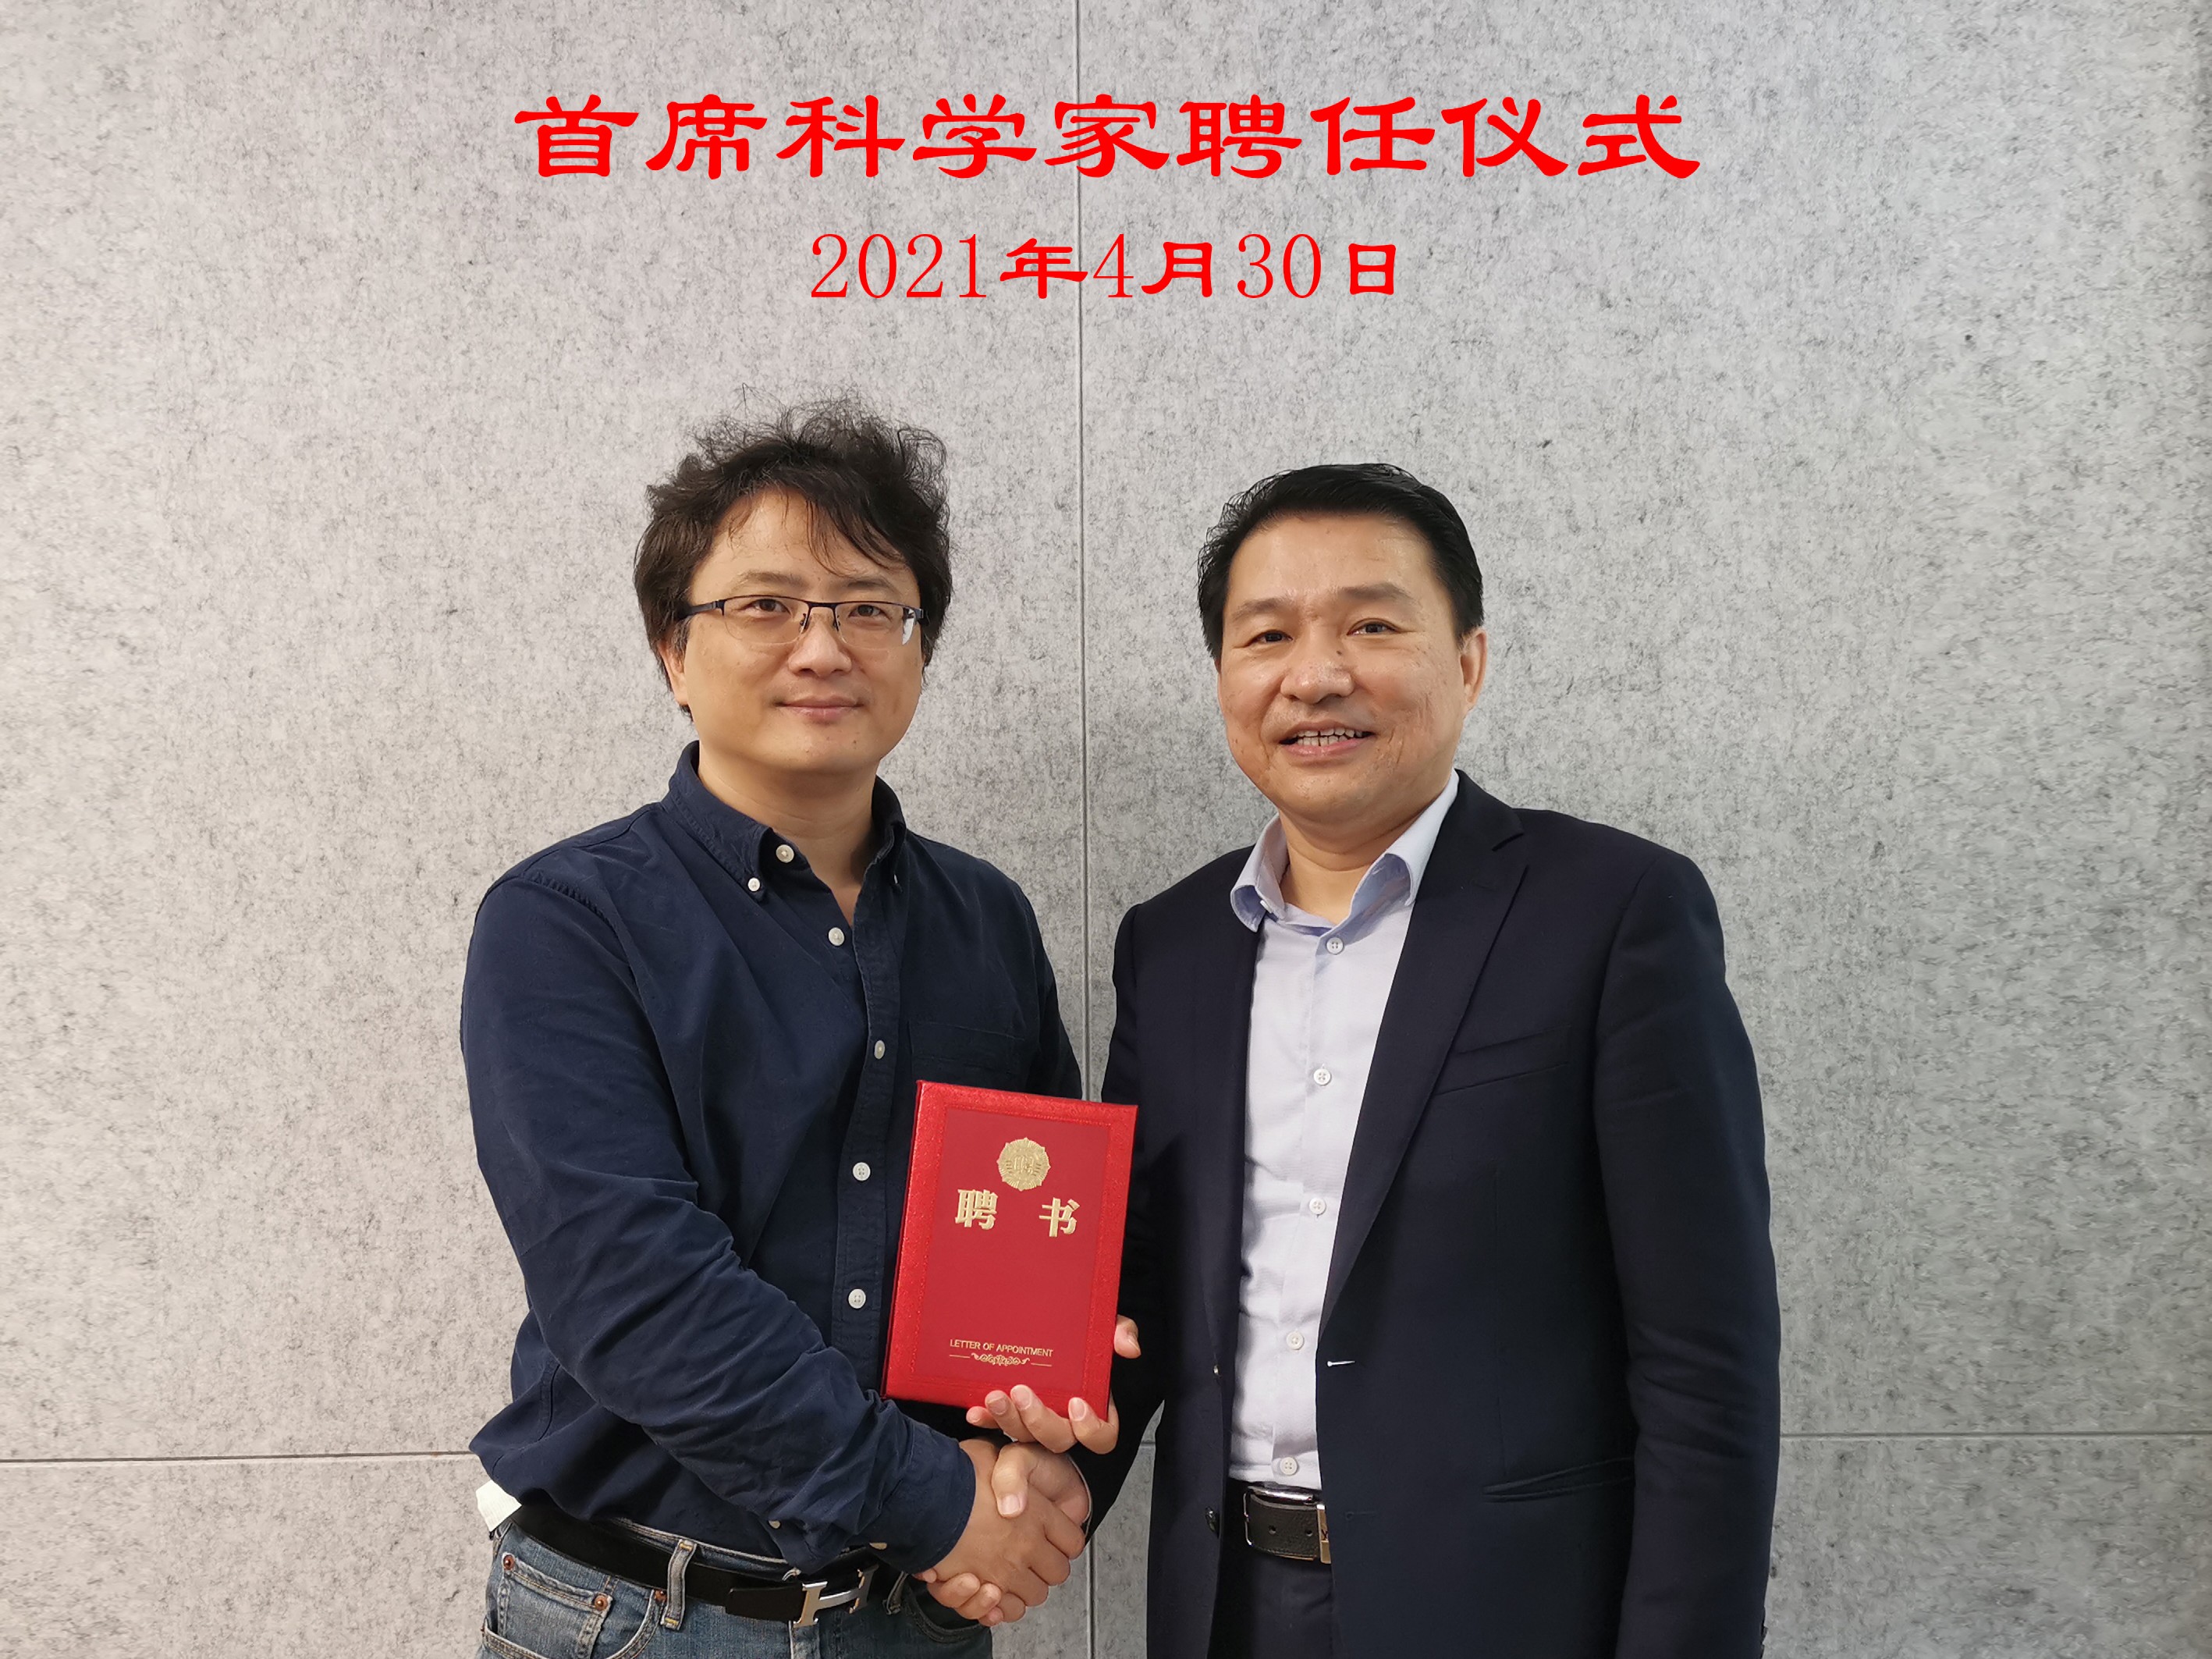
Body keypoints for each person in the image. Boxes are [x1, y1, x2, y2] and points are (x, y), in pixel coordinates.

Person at [989, 463, 1781, 1657]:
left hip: (1509, 1613)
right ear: (1224, 676)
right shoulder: (1174, 943)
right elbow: (1147, 1280)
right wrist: (1044, 1463)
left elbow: (1705, 1362)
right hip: (1227, 1602)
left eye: (1370, 625)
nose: (1315, 674)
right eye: (1268, 635)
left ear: (1468, 660)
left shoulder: (1613, 913)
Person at [460, 402, 1095, 1657]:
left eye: (869, 607)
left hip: (915, 1616)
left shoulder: (986, 919)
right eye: (767, 606)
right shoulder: (565, 921)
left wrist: (1043, 1463)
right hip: (643, 1614)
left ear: (920, 646)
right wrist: (939, 1502)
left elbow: (1043, 1239)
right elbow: (636, 1290)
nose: (823, 646)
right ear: (673, 650)